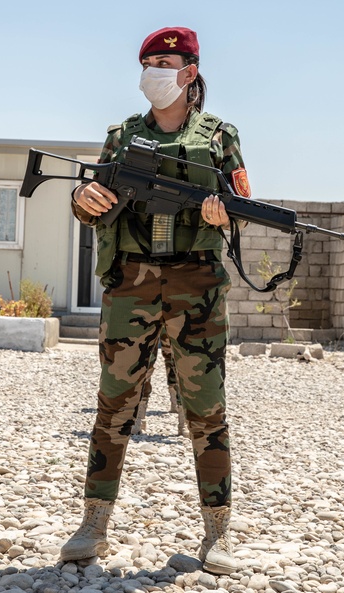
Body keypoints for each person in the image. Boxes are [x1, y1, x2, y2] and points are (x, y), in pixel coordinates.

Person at [61, 26, 243, 575]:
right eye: (150, 63)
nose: (156, 72)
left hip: (197, 287)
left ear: (190, 73)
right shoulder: (122, 136)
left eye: (168, 63)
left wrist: (225, 210)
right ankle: (93, 524)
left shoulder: (219, 136)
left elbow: (240, 200)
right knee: (113, 404)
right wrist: (81, 197)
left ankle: (217, 533)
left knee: (206, 411)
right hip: (131, 286)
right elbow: (92, 201)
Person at [131, 328, 186, 437]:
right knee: (145, 358)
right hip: (149, 313)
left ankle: (183, 419)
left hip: (175, 313)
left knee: (178, 359)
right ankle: (138, 416)